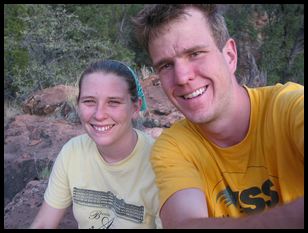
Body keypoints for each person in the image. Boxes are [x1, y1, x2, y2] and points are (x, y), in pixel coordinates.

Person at [132, 4, 304, 229]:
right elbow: (184, 224)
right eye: (166, 65)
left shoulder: (289, 106)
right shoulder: (174, 147)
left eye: (195, 53)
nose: (182, 77)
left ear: (230, 56)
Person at [30, 60, 161, 229]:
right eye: (89, 101)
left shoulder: (159, 164)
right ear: (78, 105)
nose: (99, 115)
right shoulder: (73, 152)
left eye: (113, 102)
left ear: (135, 108)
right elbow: (44, 224)